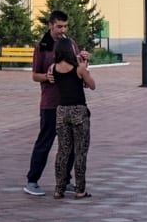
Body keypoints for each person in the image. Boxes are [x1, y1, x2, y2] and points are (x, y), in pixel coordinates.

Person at [24, 10, 86, 196]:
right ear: (50, 25)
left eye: (65, 26)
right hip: (50, 103)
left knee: (70, 144)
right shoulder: (42, 47)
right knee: (45, 142)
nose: (62, 30)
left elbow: (78, 71)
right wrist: (47, 76)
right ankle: (32, 181)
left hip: (70, 101)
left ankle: (65, 180)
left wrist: (84, 61)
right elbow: (35, 75)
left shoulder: (71, 43)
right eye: (59, 26)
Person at [52, 38, 95, 199]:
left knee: (63, 151)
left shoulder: (53, 68)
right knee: (80, 151)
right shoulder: (79, 68)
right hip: (78, 111)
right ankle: (80, 189)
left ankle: (59, 189)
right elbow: (91, 85)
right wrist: (85, 66)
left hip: (61, 111)